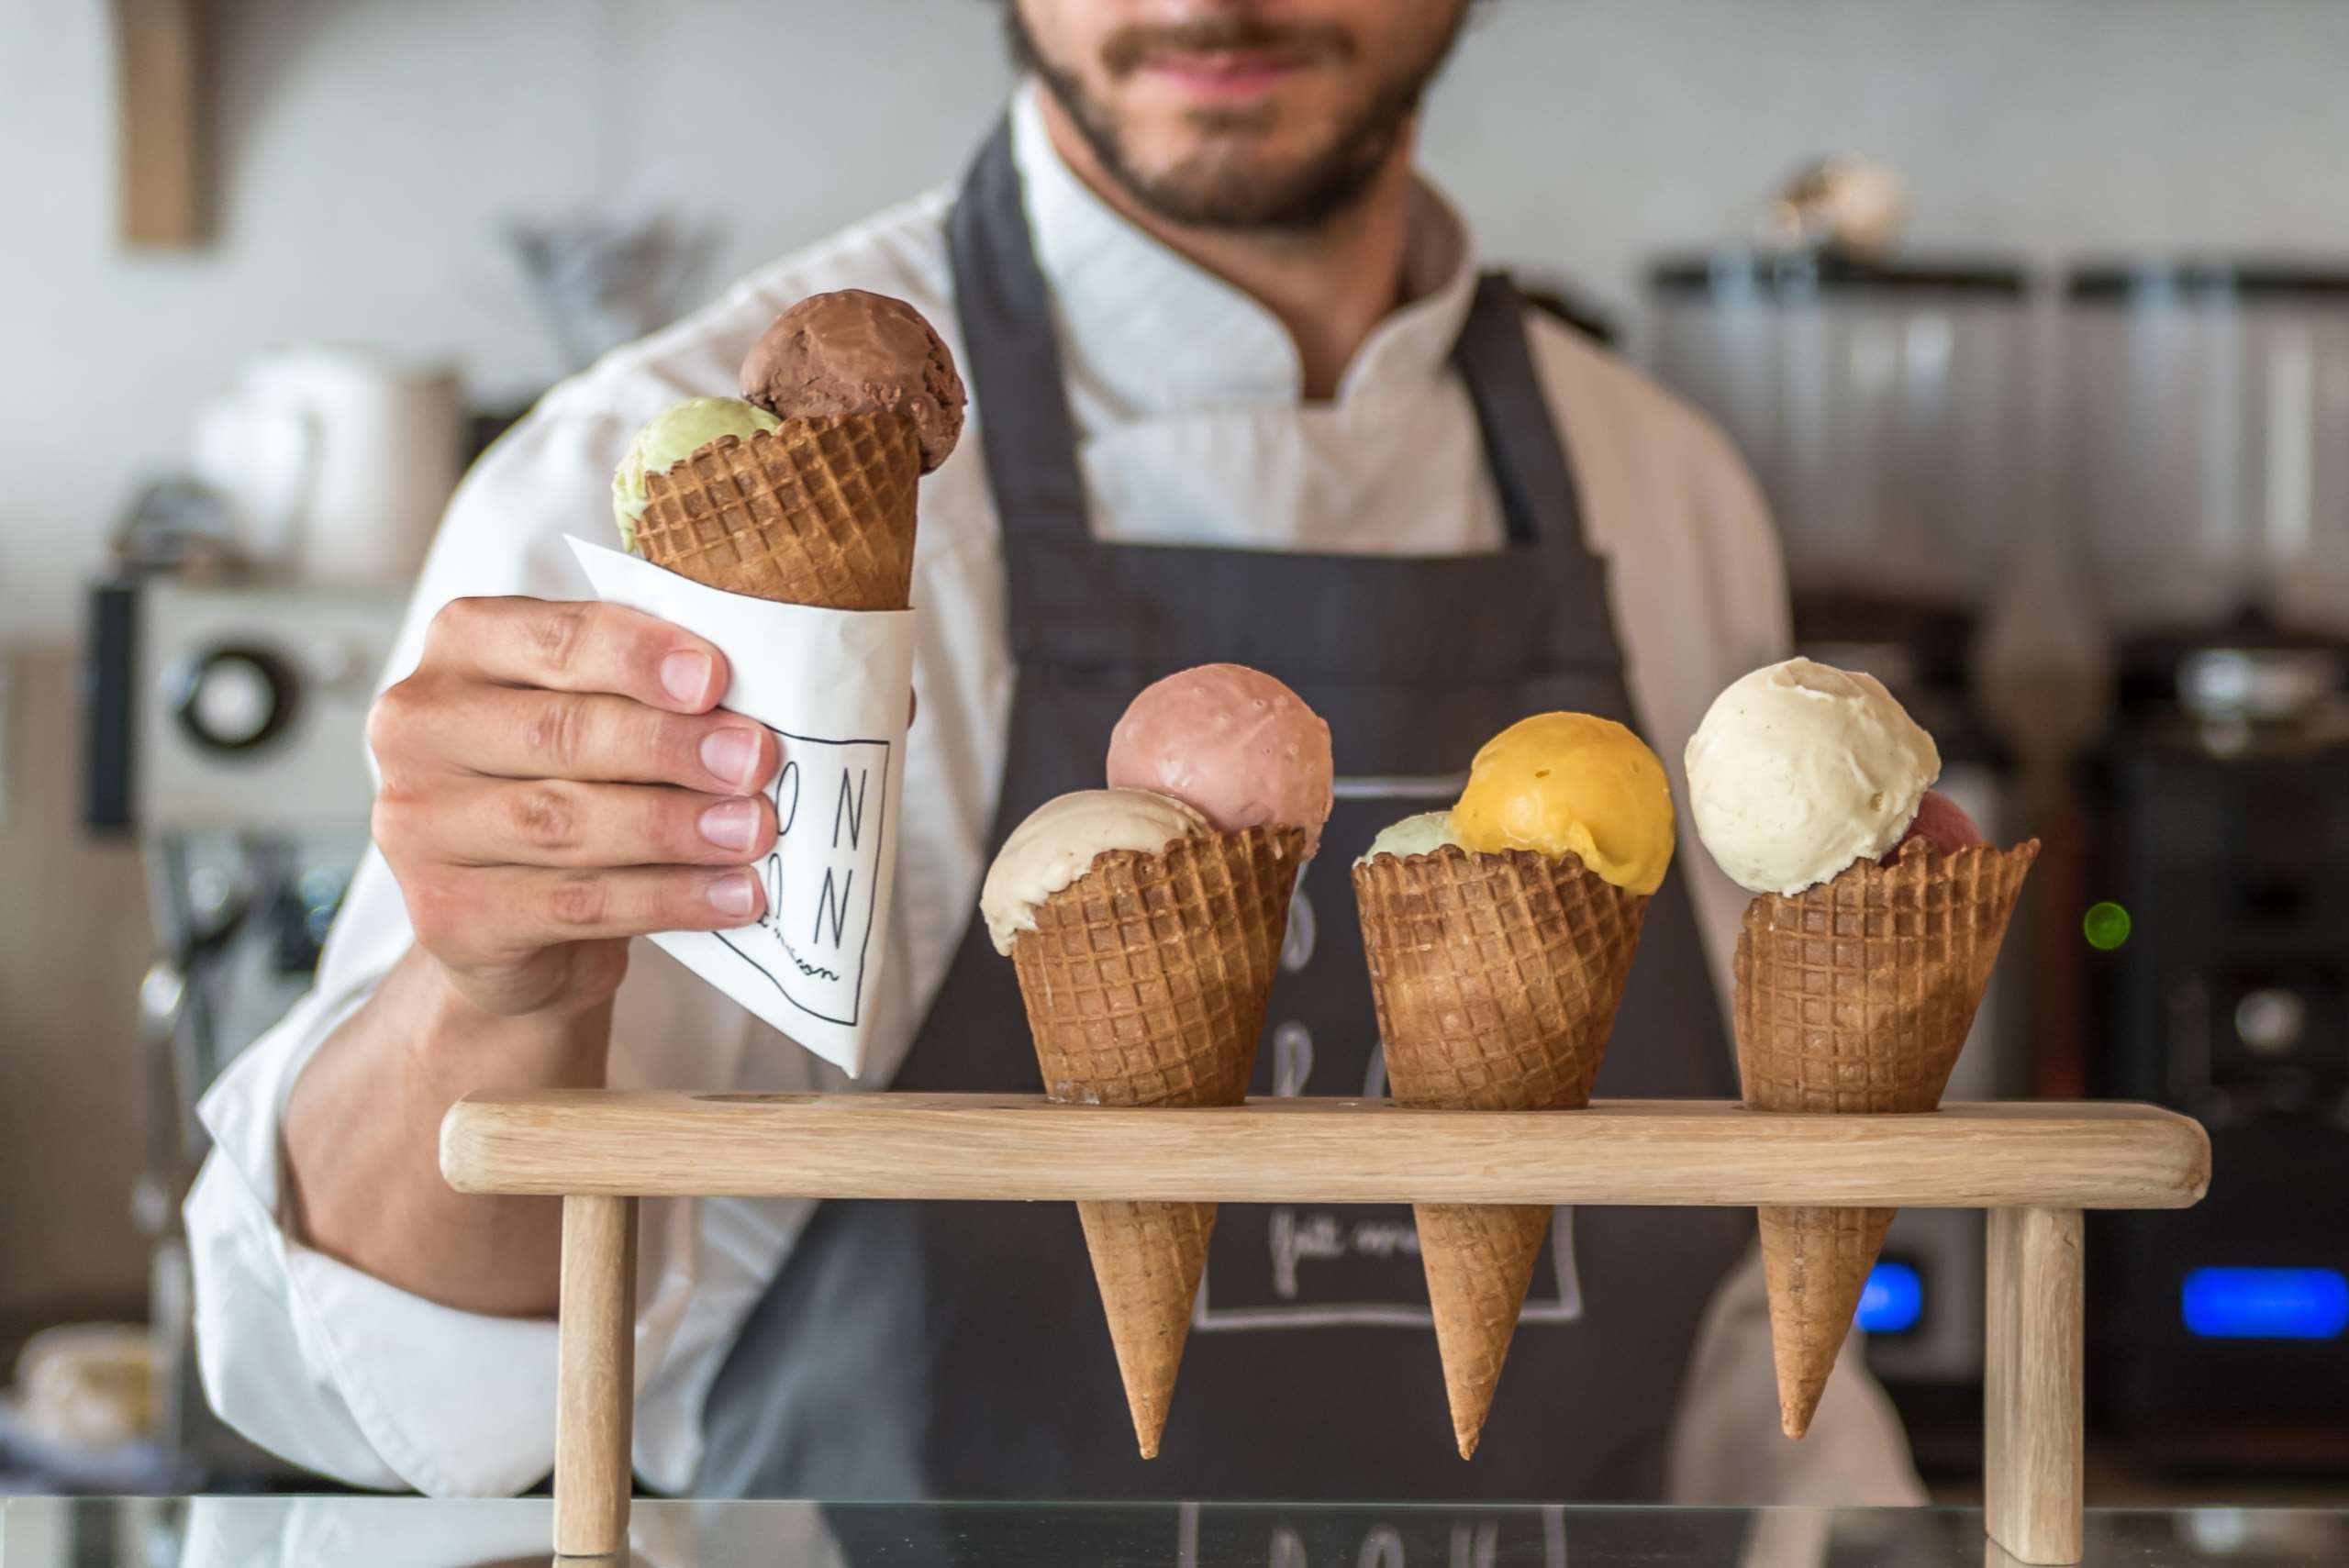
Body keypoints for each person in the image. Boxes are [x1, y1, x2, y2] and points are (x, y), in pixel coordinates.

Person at [187, 0, 1924, 1504]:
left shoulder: (1662, 485)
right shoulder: (679, 492)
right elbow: (388, 1387)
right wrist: (493, 997)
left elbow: (1741, 1343)